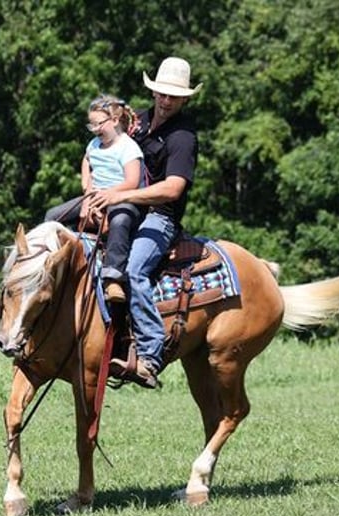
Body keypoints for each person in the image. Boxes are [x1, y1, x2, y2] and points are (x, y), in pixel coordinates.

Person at [89, 56, 202, 388]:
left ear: (184, 98)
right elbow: (104, 149)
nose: (166, 101)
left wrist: (118, 197)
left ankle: (150, 356)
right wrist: (96, 195)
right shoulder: (136, 121)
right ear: (153, 92)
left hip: (160, 217)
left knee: (135, 269)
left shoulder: (183, 137)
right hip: (123, 206)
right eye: (161, 93)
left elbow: (173, 188)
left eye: (174, 96)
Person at [44, 95, 145, 303]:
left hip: (122, 197)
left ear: (115, 121)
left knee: (119, 221)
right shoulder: (94, 144)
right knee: (53, 216)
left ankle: (113, 278)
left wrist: (108, 196)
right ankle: (48, 265)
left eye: (99, 124)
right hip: (95, 195)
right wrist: (87, 191)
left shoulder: (128, 147)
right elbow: (87, 162)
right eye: (92, 125)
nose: (96, 129)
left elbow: (132, 181)